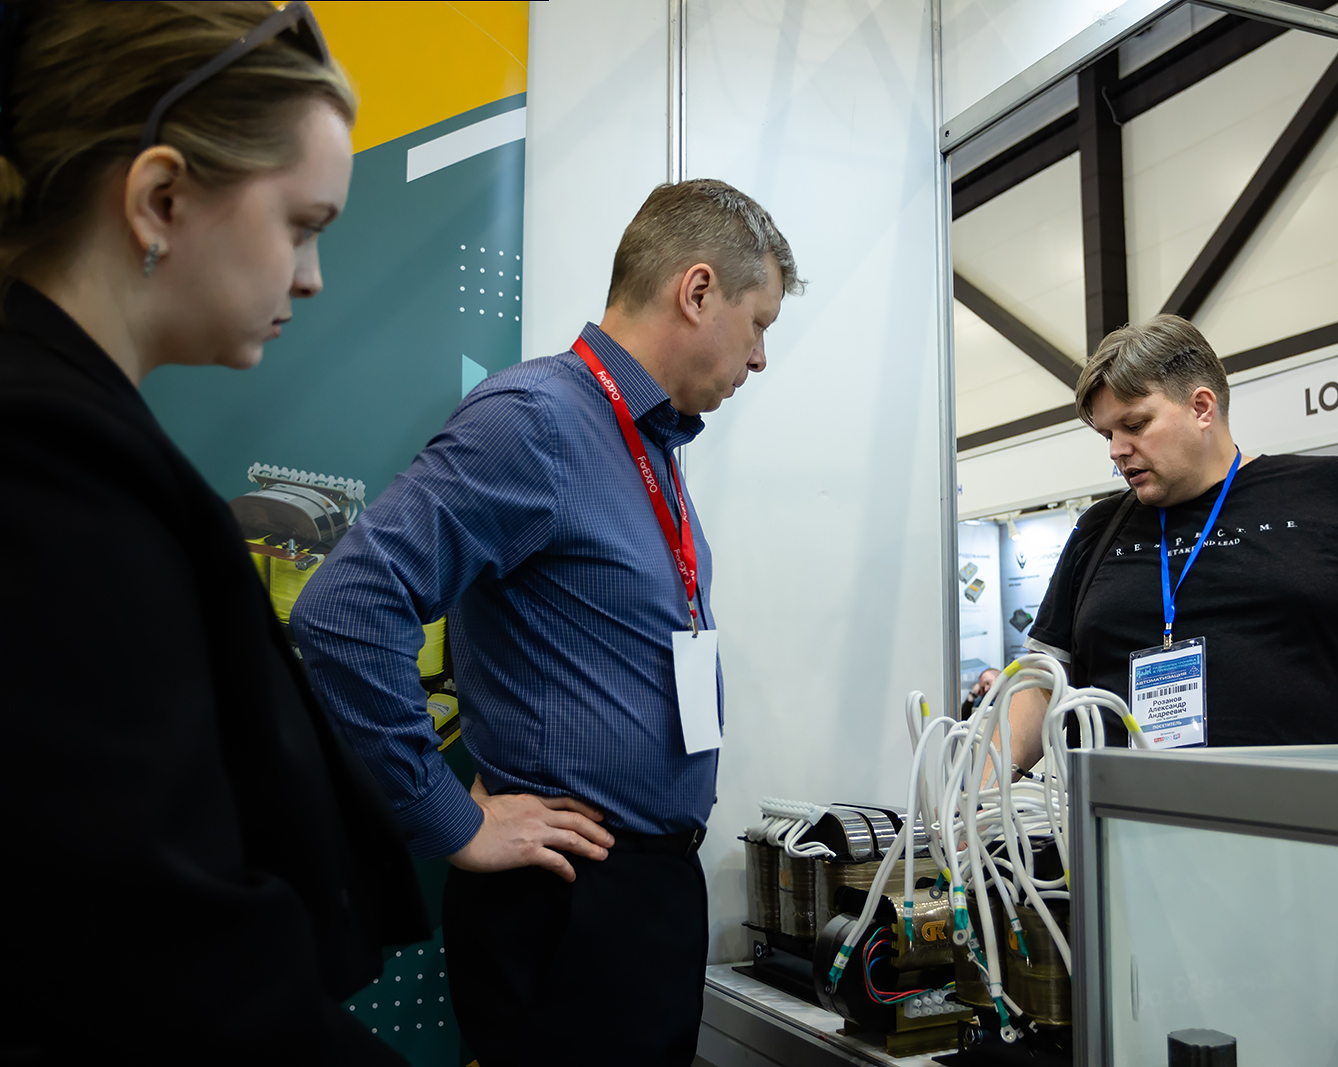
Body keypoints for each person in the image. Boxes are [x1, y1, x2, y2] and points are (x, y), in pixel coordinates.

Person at [291, 179, 803, 1065]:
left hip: (645, 897)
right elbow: (345, 610)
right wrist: (450, 817)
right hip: (569, 904)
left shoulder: (649, 448)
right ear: (697, 291)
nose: (759, 358)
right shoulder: (536, 421)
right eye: (758, 323)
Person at [0, 3, 427, 1062]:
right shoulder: (48, 462)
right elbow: (147, 949)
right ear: (160, 197)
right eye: (301, 224)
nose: (312, 275)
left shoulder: (73, 435)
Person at [1006, 313, 1338, 765]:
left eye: (1135, 425)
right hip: (1135, 821)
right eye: (1107, 434)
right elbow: (1041, 685)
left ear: (1201, 407)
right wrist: (977, 792)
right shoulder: (1100, 530)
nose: (1117, 450)